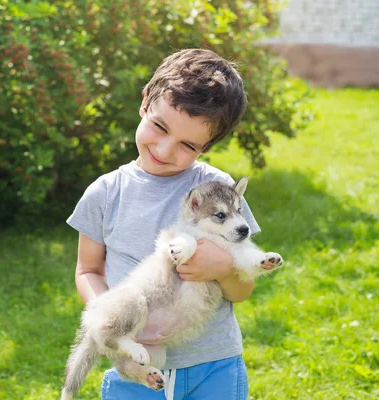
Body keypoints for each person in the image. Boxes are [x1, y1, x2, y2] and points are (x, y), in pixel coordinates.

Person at [66, 48, 259, 400]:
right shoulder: (105, 193)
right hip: (136, 370)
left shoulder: (218, 191)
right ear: (145, 102)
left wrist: (225, 268)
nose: (166, 149)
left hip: (215, 366)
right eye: (160, 127)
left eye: (187, 144)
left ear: (206, 147)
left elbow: (242, 291)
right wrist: (110, 313)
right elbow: (88, 269)